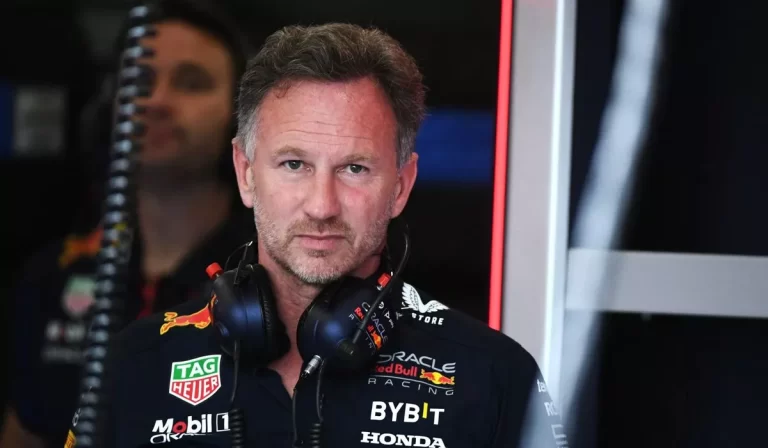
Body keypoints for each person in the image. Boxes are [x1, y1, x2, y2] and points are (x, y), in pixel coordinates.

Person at [66, 23, 569, 448]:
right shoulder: (134, 367)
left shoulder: (493, 375)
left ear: (401, 185)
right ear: (245, 172)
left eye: (354, 168)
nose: (322, 205)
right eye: (294, 164)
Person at [0, 1, 254, 447]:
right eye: (139, 81)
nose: (156, 101)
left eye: (191, 82)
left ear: (242, 117)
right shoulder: (53, 273)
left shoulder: (271, 281)